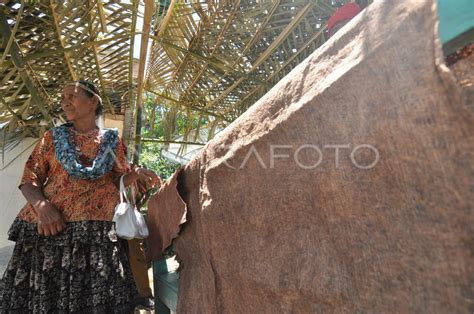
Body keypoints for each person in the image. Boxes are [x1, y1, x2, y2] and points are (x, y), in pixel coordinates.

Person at [0, 80, 159, 313]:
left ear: (94, 101)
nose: (64, 101)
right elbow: (29, 179)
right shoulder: (50, 139)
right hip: (53, 233)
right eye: (62, 97)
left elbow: (117, 181)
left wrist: (135, 176)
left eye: (71, 95)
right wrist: (42, 207)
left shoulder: (113, 142)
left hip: (99, 238)